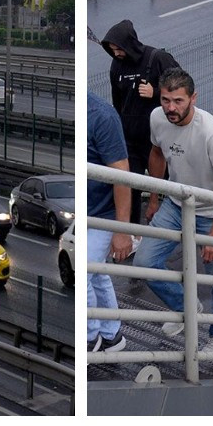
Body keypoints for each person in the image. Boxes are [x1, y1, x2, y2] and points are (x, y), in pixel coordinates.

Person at [134, 68, 213, 353]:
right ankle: (188, 307)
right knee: (143, 262)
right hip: (176, 202)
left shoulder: (211, 131)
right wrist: (153, 199)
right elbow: (156, 153)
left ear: (193, 98)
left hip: (209, 210)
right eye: (166, 99)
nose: (171, 108)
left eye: (178, 101)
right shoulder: (157, 117)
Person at [101, 20, 181, 232]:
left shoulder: (157, 59)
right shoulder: (116, 65)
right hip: (129, 138)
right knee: (129, 186)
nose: (116, 53)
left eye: (119, 49)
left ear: (130, 44)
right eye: (112, 50)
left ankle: (175, 226)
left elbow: (183, 87)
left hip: (157, 138)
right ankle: (133, 232)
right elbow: (117, 101)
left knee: (170, 183)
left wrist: (155, 92)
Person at [86, 92, 134, 353]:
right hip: (84, 215)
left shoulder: (102, 116)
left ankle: (90, 339)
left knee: (83, 273)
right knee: (96, 276)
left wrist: (122, 230)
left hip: (102, 217)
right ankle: (112, 335)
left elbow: (121, 175)